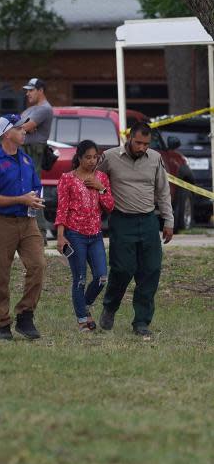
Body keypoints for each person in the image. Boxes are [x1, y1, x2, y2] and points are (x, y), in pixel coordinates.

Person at [97, 122, 174, 339]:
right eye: (138, 142)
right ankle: (110, 307)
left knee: (150, 271)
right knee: (122, 269)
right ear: (130, 138)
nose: (142, 147)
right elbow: (93, 180)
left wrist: (168, 221)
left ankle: (141, 321)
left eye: (146, 144)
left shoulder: (155, 158)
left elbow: (163, 191)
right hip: (122, 220)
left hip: (149, 220)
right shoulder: (110, 157)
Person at [0, 114, 46, 340]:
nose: (24, 130)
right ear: (7, 134)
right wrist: (21, 199)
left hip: (28, 222)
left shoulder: (25, 160)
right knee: (1, 276)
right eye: (19, 128)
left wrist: (36, 199)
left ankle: (25, 316)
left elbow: (36, 186)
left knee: (38, 265)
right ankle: (2, 322)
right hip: (1, 224)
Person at [55, 140, 114, 332]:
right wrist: (61, 236)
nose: (91, 161)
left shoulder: (102, 178)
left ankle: (84, 306)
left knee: (101, 277)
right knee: (79, 278)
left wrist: (100, 187)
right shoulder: (67, 179)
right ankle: (82, 320)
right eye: (87, 157)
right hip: (74, 235)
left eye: (95, 157)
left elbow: (110, 206)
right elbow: (62, 209)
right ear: (79, 158)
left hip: (95, 235)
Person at [19, 78, 54, 236]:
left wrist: (25, 126)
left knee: (33, 189)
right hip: (23, 149)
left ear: (40, 90)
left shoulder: (44, 109)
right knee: (23, 189)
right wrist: (23, 126)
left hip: (33, 151)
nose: (27, 93)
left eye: (31, 90)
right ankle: (29, 230)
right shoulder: (31, 109)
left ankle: (39, 232)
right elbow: (17, 124)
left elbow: (23, 126)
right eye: (27, 90)